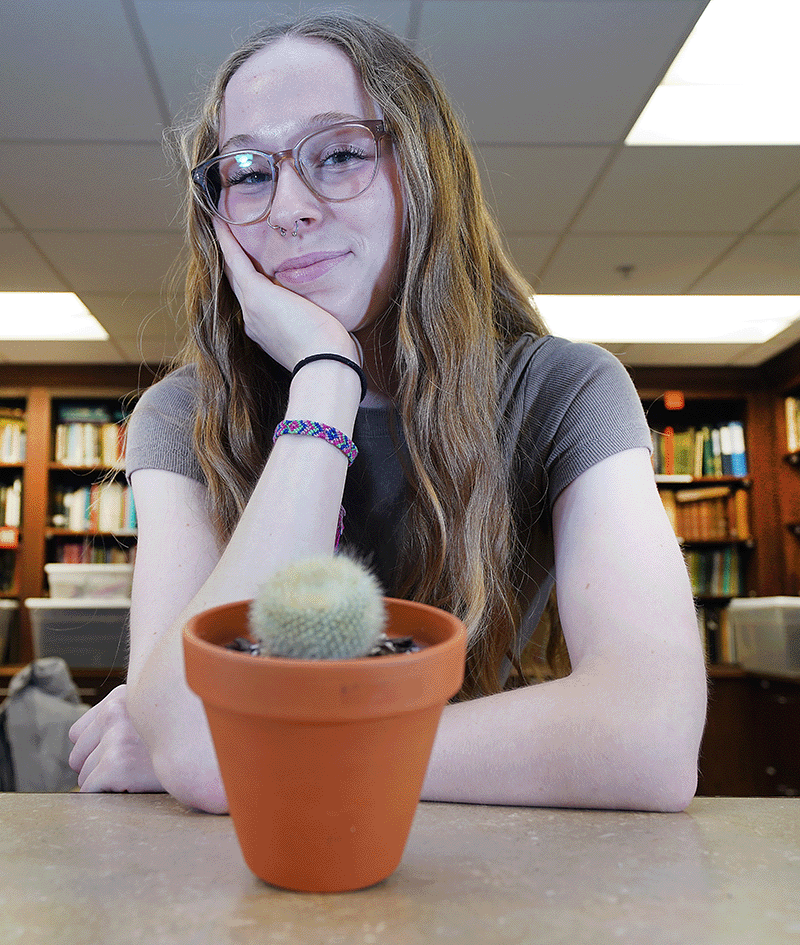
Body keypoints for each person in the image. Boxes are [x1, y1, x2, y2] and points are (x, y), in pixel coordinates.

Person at [68, 11, 707, 813]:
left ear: (425, 173)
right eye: (248, 172)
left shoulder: (565, 390)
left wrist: (260, 751)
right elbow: (199, 741)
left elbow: (648, 739)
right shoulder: (182, 414)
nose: (287, 208)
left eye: (338, 155)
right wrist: (326, 381)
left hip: (484, 855)